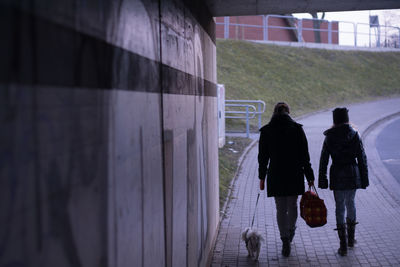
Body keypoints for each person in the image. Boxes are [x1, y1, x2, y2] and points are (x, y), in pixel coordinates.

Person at [258, 102, 315, 257]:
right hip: (294, 173)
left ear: (274, 113)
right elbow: (305, 156)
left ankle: (284, 239)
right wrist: (310, 177)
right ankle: (290, 231)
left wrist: (261, 177)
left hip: (276, 174)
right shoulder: (297, 130)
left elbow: (262, 158)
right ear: (288, 113)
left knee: (280, 208)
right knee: (293, 205)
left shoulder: (267, 131)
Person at [318, 107, 369, 256]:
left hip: (337, 175)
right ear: (347, 119)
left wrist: (323, 179)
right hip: (353, 174)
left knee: (339, 207)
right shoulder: (355, 135)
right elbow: (362, 158)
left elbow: (323, 160)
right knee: (351, 203)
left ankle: (343, 246)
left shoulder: (329, 136)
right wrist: (364, 179)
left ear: (335, 120)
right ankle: (352, 239)